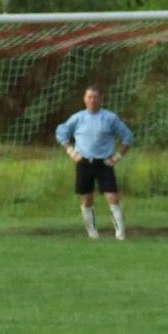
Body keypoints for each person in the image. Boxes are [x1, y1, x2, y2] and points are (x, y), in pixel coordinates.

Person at [56, 86, 133, 240]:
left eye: (95, 97)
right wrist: (71, 151)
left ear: (100, 99)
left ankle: (120, 233)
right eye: (89, 97)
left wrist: (117, 157)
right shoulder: (77, 118)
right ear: (84, 99)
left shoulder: (110, 118)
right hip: (84, 163)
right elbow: (61, 132)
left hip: (104, 163)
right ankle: (92, 233)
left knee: (113, 197)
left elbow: (127, 136)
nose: (92, 100)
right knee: (87, 199)